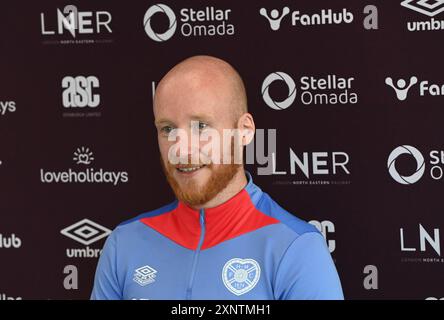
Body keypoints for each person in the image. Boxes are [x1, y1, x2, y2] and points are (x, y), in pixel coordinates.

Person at [91, 55, 344, 300]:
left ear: (244, 131)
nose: (181, 149)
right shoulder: (124, 244)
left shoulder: (296, 249)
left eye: (200, 126)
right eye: (167, 129)